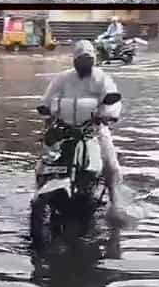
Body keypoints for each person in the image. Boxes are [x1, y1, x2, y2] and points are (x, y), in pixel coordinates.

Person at [37, 40, 122, 205]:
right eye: (81, 60)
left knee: (111, 166)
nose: (85, 63)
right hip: (64, 129)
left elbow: (113, 100)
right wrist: (46, 111)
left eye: (88, 60)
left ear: (93, 60)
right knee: (44, 160)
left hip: (93, 129)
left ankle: (116, 204)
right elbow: (47, 99)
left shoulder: (101, 78)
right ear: (74, 60)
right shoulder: (62, 78)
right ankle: (39, 188)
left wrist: (107, 115)